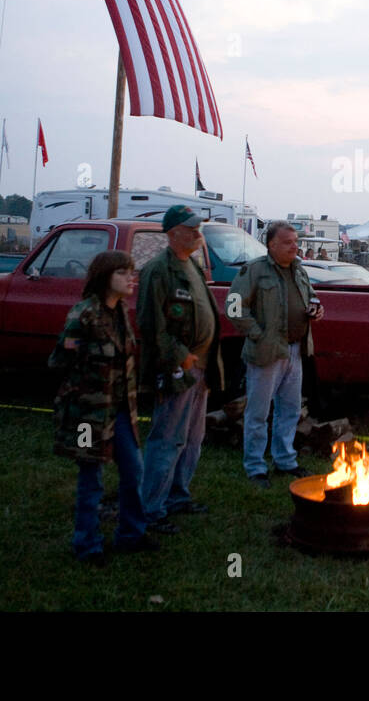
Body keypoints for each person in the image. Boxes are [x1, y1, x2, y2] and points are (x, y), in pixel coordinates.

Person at [50, 250, 156, 565]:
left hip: (121, 409)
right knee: (91, 476)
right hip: (88, 414)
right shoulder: (83, 315)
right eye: (123, 273)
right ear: (104, 277)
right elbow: (59, 360)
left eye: (132, 272)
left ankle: (131, 534)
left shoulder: (122, 311)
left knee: (134, 470)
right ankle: (87, 545)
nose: (131, 278)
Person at [139, 206, 224, 535]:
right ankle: (152, 508)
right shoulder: (159, 271)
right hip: (179, 369)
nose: (197, 232)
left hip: (201, 368)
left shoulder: (191, 264)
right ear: (173, 233)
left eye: (198, 227)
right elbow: (151, 325)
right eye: (191, 228)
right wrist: (180, 356)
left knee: (192, 438)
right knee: (167, 438)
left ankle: (177, 497)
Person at [228, 221, 324, 487]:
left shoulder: (299, 271)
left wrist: (316, 310)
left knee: (290, 410)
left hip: (295, 350)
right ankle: (256, 467)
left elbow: (312, 298)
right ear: (271, 244)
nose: (295, 246)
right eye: (288, 242)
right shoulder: (255, 271)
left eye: (295, 241)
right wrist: (258, 334)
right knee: (258, 413)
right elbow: (234, 307)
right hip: (266, 353)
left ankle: (285, 460)